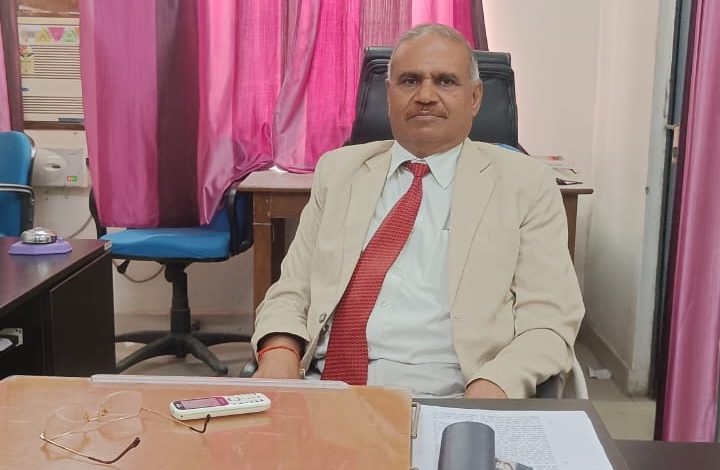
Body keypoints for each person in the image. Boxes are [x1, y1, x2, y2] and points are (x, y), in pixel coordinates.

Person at [251, 23, 584, 399]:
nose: (426, 96)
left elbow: (549, 321)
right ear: (388, 94)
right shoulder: (339, 171)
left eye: (445, 81)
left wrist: (492, 387)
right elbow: (291, 291)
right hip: (326, 389)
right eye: (410, 81)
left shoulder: (525, 184)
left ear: (475, 97)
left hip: (451, 395)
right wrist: (278, 356)